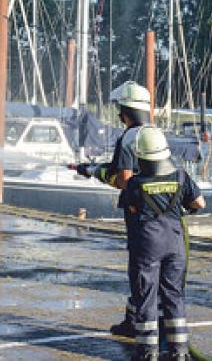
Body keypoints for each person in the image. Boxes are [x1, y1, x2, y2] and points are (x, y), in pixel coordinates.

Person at [71, 81, 151, 338]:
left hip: (138, 215)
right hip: (160, 216)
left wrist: (97, 173)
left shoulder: (128, 138)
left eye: (120, 109)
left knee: (139, 270)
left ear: (127, 110)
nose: (118, 115)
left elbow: (124, 180)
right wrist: (94, 169)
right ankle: (146, 322)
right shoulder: (152, 135)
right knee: (152, 272)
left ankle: (137, 326)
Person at [126, 126, 205, 361]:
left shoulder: (136, 183)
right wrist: (183, 209)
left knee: (147, 295)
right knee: (174, 295)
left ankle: (147, 352)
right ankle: (179, 352)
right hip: (175, 242)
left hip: (148, 244)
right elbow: (199, 203)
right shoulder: (181, 176)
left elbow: (130, 209)